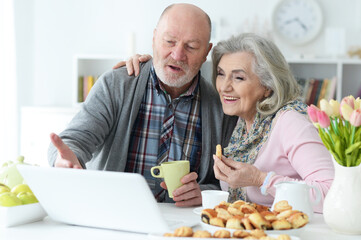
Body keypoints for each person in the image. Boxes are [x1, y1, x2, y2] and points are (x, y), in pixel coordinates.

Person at [118, 33, 334, 213]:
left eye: (238, 78)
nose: (224, 87)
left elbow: (331, 193)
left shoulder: (290, 122)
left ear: (268, 85)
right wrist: (151, 66)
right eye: (221, 75)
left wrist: (261, 179)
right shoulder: (240, 122)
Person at [48, 3, 237, 207]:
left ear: (206, 52)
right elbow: (73, 140)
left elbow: (229, 183)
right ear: (154, 38)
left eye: (191, 47)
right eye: (169, 41)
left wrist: (204, 193)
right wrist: (65, 162)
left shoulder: (222, 107)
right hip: (115, 215)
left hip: (182, 228)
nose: (177, 55)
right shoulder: (116, 85)